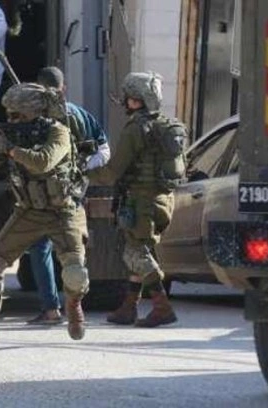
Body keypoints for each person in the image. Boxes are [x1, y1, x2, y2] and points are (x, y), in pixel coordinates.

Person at [0, 82, 90, 347]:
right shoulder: (11, 136)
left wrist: (10, 148)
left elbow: (43, 162)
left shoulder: (58, 132)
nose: (11, 120)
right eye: (9, 115)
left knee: (74, 272)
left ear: (33, 113)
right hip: (29, 211)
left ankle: (74, 305)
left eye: (17, 115)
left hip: (64, 211)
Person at [87, 71, 186, 328]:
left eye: (128, 97)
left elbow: (113, 171)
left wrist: (85, 174)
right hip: (164, 200)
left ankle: (162, 307)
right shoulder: (167, 125)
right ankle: (128, 307)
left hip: (142, 203)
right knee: (141, 250)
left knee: (135, 253)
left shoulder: (135, 129)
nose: (125, 102)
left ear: (135, 100)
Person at [26, 66, 110, 325]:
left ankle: (51, 309)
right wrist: (81, 168)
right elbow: (104, 151)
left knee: (40, 247)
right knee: (73, 250)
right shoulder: (79, 114)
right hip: (73, 193)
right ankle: (75, 305)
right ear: (64, 88)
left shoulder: (34, 116)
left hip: (42, 194)